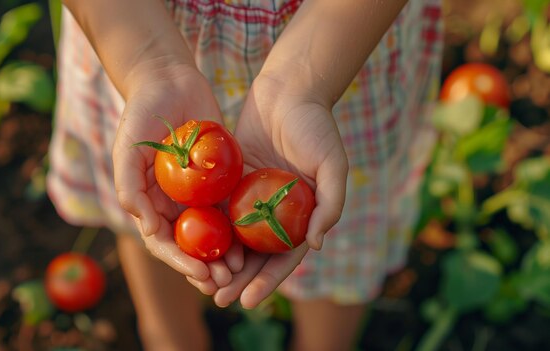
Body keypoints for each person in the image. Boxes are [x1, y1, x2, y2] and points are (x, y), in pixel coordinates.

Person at [46, 0, 443, 350]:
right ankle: (170, 339)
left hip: (342, 50)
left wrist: (302, 83)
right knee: (149, 209)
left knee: (338, 241)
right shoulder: (167, 148)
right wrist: (147, 65)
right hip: (129, 34)